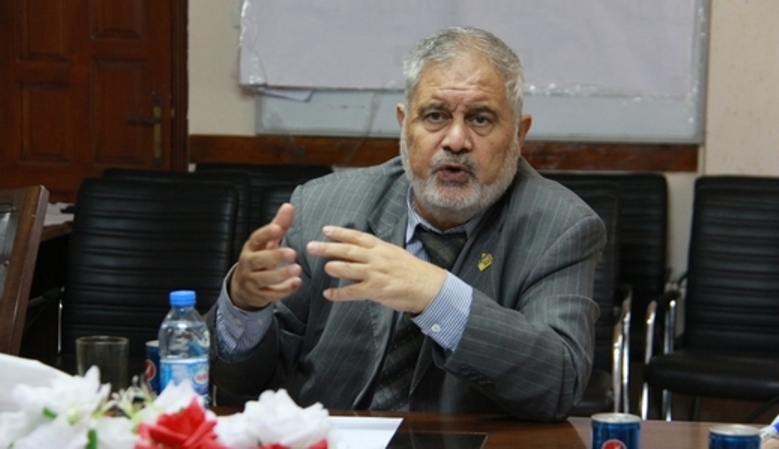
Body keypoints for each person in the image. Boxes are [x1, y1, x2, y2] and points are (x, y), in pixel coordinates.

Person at [207, 26, 605, 422]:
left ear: (519, 134)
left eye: (481, 119)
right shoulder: (322, 208)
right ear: (404, 124)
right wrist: (245, 304)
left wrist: (435, 294)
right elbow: (242, 382)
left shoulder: (561, 227)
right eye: (435, 116)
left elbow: (559, 382)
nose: (455, 140)